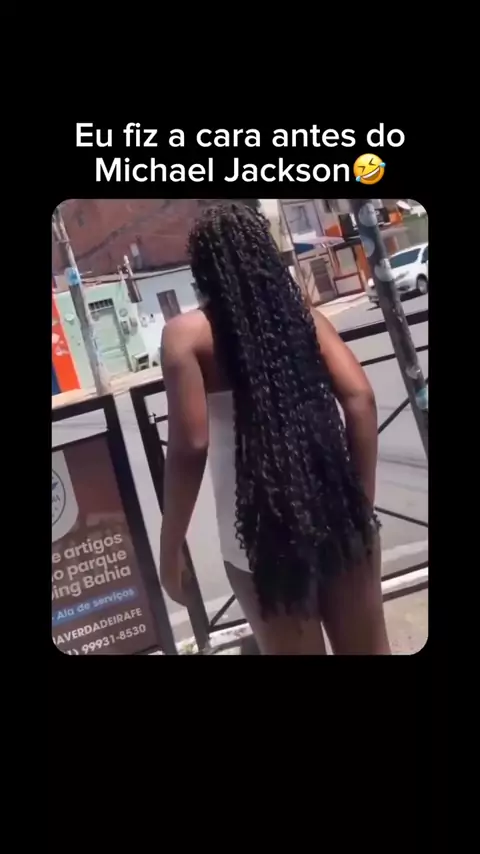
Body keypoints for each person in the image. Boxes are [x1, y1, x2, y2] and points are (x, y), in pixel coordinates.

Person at [159, 203, 391, 655]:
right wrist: (359, 504)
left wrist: (170, 551)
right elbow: (360, 400)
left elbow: (191, 445)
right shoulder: (303, 318)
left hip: (259, 538)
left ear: (202, 267)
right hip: (338, 517)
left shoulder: (185, 336)